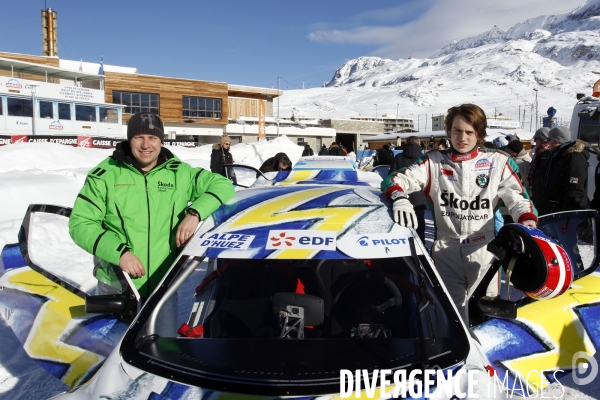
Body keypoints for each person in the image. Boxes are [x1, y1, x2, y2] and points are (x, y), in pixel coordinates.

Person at [69, 112, 235, 335]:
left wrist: (195, 212)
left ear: (161, 140)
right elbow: (81, 224)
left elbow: (223, 185)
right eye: (139, 137)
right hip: (118, 286)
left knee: (160, 351)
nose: (146, 144)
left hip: (162, 288)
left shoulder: (180, 173)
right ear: (129, 140)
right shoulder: (105, 175)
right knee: (110, 357)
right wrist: (120, 254)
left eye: (152, 137)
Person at [381, 103, 537, 320]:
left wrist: (528, 222)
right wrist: (399, 198)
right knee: (450, 319)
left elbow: (518, 199)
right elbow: (394, 180)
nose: (462, 137)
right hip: (446, 251)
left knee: (484, 317)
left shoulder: (499, 162)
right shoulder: (433, 161)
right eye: (457, 131)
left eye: (469, 132)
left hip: (485, 251)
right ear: (449, 132)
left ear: (480, 134)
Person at [540, 126, 589, 215]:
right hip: (553, 208)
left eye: (549, 139)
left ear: (557, 140)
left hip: (564, 212)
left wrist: (568, 215)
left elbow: (575, 189)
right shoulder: (557, 156)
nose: (548, 143)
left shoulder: (574, 157)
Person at [389, 136, 427, 243]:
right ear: (419, 143)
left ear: (406, 143)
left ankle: (405, 247)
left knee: (402, 223)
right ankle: (421, 248)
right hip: (419, 196)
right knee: (419, 225)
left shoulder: (398, 157)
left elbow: (391, 176)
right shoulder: (424, 158)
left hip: (402, 196)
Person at [527, 128, 551, 213]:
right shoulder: (539, 152)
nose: (534, 141)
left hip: (542, 195)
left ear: (541, 139)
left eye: (535, 139)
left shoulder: (547, 153)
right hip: (537, 192)